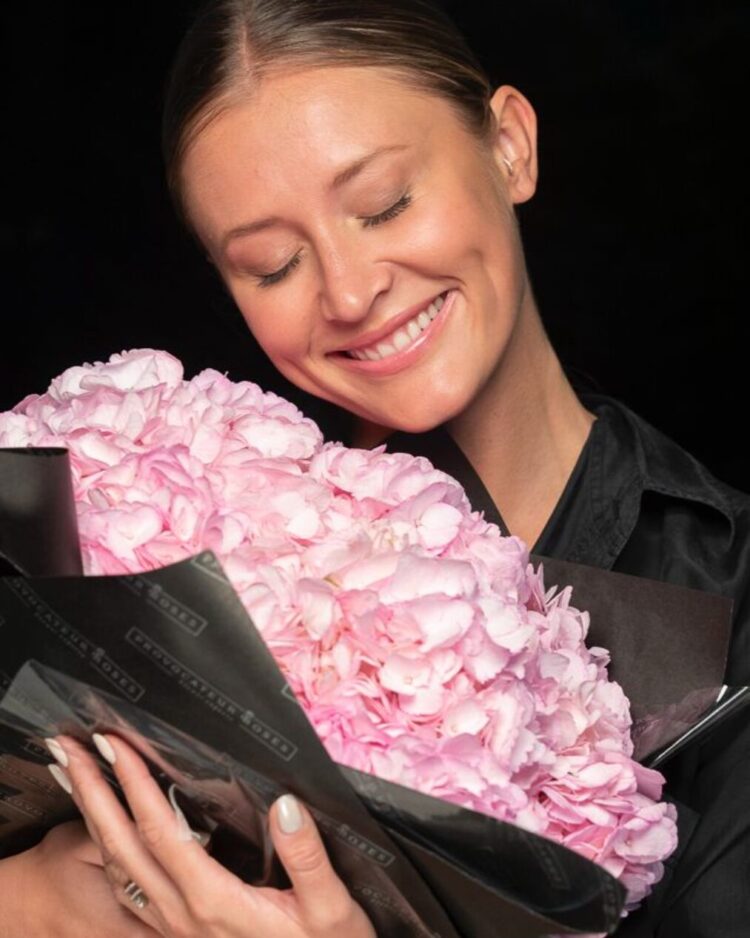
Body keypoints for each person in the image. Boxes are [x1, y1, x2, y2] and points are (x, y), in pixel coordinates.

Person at [1, 0, 748, 935]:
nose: (350, 294)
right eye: (272, 265)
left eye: (385, 204)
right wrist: (32, 901)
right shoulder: (133, 532)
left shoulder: (732, 590)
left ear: (510, 146)